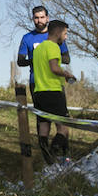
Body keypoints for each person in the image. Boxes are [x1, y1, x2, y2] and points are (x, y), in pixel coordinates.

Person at [32, 20, 77, 164]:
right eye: (65, 33)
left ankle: (47, 160)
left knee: (44, 126)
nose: (66, 37)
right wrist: (67, 75)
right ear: (58, 33)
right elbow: (54, 68)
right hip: (53, 91)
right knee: (63, 128)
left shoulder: (38, 49)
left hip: (39, 92)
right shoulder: (53, 47)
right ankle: (53, 154)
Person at [17, 5, 70, 97]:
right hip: (36, 82)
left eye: (42, 17)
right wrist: (37, 59)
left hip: (55, 83)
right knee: (39, 111)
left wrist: (47, 57)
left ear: (47, 18)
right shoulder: (27, 38)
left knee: (59, 111)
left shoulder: (55, 36)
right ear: (33, 18)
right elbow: (20, 62)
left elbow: (66, 59)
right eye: (36, 17)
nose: (39, 20)